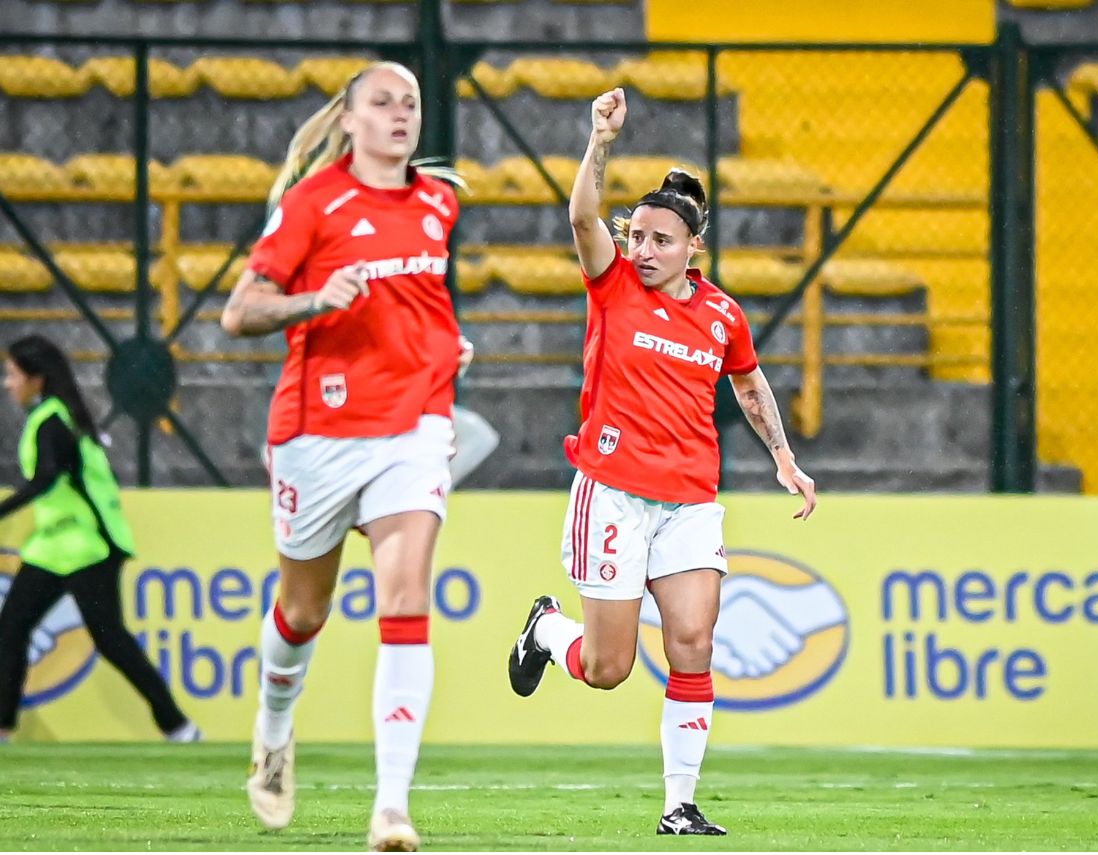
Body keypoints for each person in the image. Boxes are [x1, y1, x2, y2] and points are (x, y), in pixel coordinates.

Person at [507, 88, 818, 836]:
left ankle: (678, 805)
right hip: (612, 493)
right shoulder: (611, 284)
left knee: (693, 640)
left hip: (687, 499)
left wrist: (783, 457)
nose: (642, 248)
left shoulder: (722, 315)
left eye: (659, 239)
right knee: (608, 667)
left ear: (692, 249)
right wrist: (599, 141)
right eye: (636, 234)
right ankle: (547, 630)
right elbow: (583, 216)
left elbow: (748, 381)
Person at [220, 61, 469, 852]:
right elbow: (239, 312)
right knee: (304, 611)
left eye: (411, 103)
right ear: (351, 120)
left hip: (412, 424)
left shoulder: (439, 202)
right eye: (382, 103)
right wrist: (311, 301)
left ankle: (392, 807)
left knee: (405, 595)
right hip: (317, 433)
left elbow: (423, 305)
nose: (400, 114)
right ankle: (273, 726)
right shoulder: (311, 204)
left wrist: (442, 348)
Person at [0, 336, 201, 745]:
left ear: (36, 380)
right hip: (56, 546)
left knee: (109, 639)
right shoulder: (55, 417)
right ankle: (3, 727)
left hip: (87, 546)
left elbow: (45, 479)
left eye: (13, 374)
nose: (8, 383)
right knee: (13, 631)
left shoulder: (53, 421)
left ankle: (178, 725)